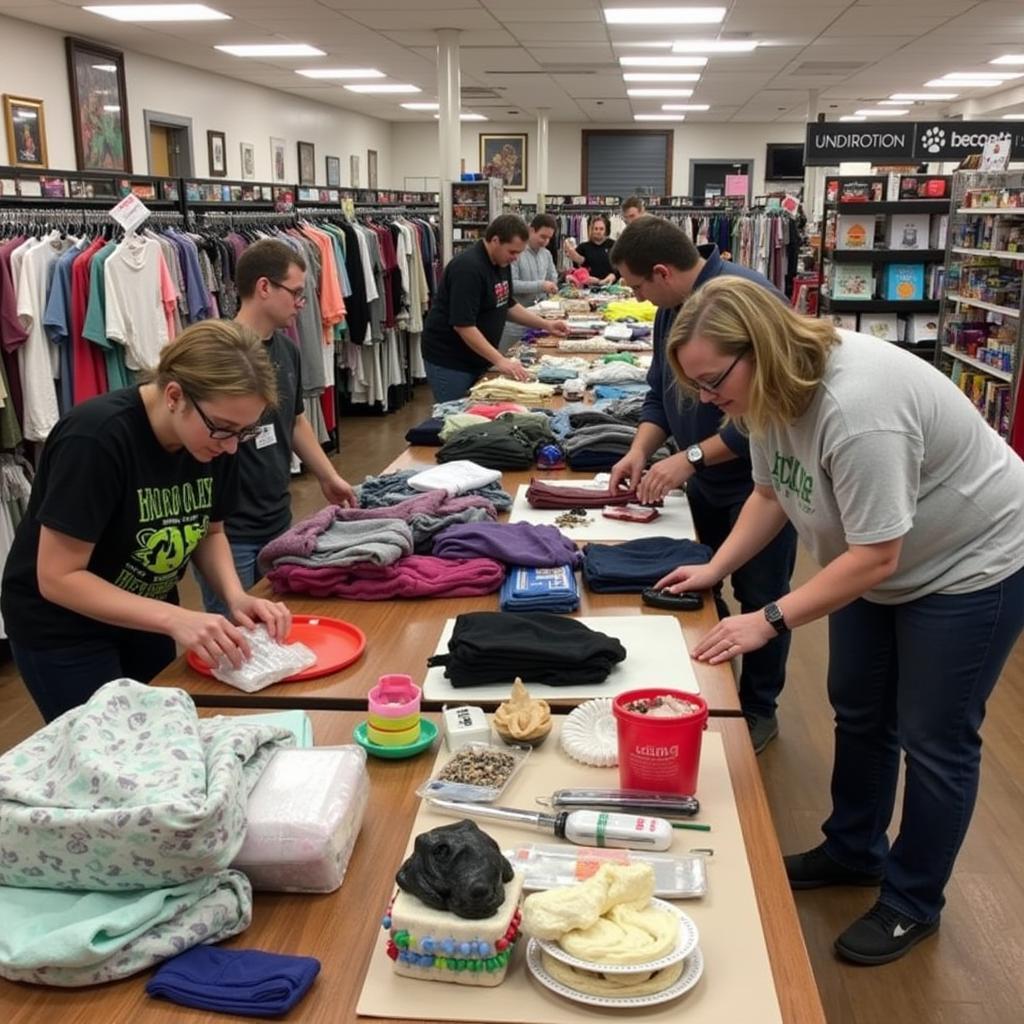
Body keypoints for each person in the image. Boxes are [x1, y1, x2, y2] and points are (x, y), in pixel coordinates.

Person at [656, 276, 1024, 965]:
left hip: (972, 563)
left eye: (712, 383)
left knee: (935, 738)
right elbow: (769, 493)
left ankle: (913, 901)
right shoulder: (764, 394)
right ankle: (854, 850)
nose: (709, 402)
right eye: (698, 389)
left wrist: (770, 616)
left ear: (757, 348)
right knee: (858, 709)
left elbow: (876, 556)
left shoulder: (859, 408)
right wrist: (714, 568)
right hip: (881, 562)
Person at [1, 320, 293, 724]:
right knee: (108, 754)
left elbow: (210, 531)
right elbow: (58, 577)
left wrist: (235, 596)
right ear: (175, 395)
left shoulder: (217, 440)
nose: (230, 446)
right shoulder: (96, 439)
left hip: (147, 616)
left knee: (158, 733)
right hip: (65, 631)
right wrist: (175, 618)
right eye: (223, 430)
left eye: (242, 434)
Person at [608, 216, 797, 752]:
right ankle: (704, 691)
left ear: (662, 272)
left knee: (761, 597)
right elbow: (658, 393)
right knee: (702, 587)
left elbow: (766, 412)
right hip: (706, 483)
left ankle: (758, 709)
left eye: (637, 286)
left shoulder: (746, 299)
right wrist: (640, 449)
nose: (637, 297)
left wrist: (689, 457)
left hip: (758, 487)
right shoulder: (673, 310)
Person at [192, 239, 356, 614]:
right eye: (296, 292)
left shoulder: (288, 351)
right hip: (227, 532)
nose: (302, 303)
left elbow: (294, 419)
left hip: (278, 519)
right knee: (237, 636)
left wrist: (327, 476)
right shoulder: (216, 354)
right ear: (264, 287)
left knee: (279, 623)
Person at [422, 215, 568, 403]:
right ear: (495, 240)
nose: (515, 258)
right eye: (512, 252)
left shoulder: (501, 262)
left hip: (476, 357)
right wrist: (500, 360)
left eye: (518, 253)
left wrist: (547, 325)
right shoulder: (468, 268)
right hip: (451, 360)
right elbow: (463, 325)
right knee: (453, 417)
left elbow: (507, 304)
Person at [499, 212, 559, 353]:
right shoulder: (516, 253)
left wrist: (553, 285)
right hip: (515, 321)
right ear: (531, 230)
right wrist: (541, 285)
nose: (545, 241)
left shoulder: (546, 254)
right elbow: (511, 285)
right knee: (508, 357)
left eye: (549, 238)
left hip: (541, 316)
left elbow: (553, 276)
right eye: (542, 236)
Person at [563, 214, 618, 286]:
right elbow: (576, 271)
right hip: (588, 289)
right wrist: (585, 278)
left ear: (606, 230)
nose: (598, 231)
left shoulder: (614, 245)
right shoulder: (583, 247)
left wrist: (614, 276)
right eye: (596, 228)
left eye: (601, 229)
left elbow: (621, 267)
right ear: (591, 229)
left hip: (611, 287)